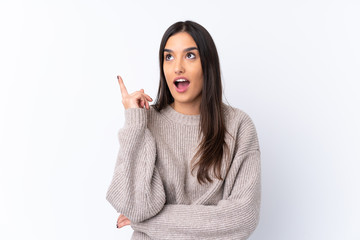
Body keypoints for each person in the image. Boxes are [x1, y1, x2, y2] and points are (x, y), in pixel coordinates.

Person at [106, 20, 261, 240]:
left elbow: (242, 218)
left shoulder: (238, 126)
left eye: (190, 55)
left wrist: (151, 222)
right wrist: (134, 123)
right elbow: (135, 207)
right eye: (168, 57)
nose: (177, 66)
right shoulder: (145, 122)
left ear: (207, 64)